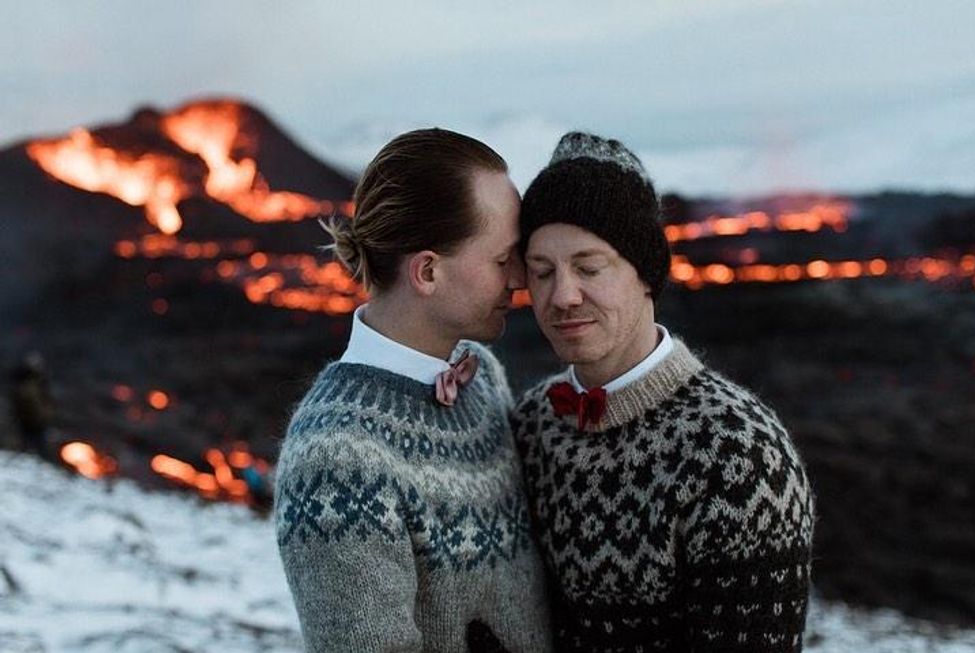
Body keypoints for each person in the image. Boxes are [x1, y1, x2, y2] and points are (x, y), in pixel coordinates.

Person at [511, 132, 815, 652]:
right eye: (542, 272)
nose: (562, 295)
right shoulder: (530, 424)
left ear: (646, 276)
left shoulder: (737, 451)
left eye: (588, 267)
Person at [274, 128, 553, 652]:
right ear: (427, 271)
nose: (521, 277)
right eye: (501, 260)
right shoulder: (337, 459)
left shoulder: (482, 378)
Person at [9, 351, 55, 462]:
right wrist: (44, 415)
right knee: (36, 444)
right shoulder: (28, 385)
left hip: (31, 419)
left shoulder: (32, 383)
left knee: (32, 444)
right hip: (33, 420)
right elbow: (32, 404)